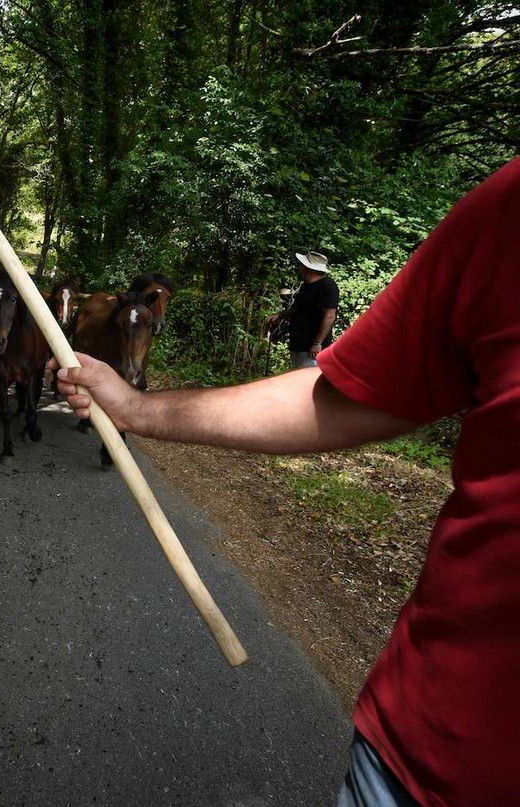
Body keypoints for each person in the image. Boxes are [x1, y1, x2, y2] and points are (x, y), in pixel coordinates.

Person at [51, 157, 520, 806]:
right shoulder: (505, 212)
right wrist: (134, 409)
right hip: (423, 765)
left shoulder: (324, 292)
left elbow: (327, 350)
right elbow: (338, 396)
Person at [267, 250, 339, 368]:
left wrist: (317, 343)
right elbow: (300, 310)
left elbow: (330, 316)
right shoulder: (306, 286)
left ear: (308, 268)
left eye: (301, 265)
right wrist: (279, 316)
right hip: (298, 345)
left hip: (311, 350)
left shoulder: (327, 286)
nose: (299, 268)